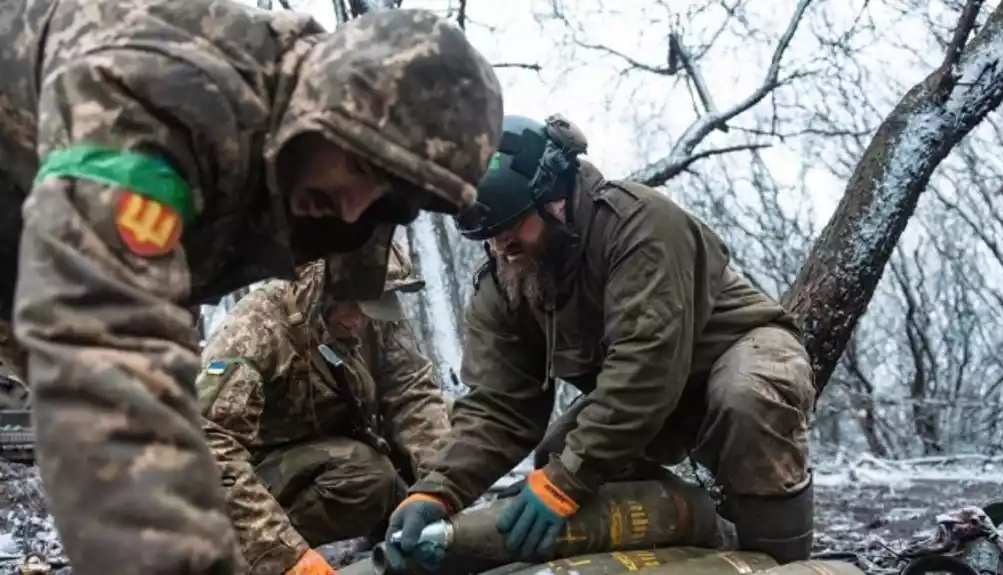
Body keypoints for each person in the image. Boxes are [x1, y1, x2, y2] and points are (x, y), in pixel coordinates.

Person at [0, 0, 503, 571]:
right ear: (323, 105)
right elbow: (109, 355)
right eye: (362, 168)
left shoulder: (309, 197)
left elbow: (412, 394)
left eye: (387, 196)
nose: (352, 206)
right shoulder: (167, 99)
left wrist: (439, 495)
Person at [385, 114, 816, 568]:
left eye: (513, 226)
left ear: (554, 198)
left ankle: (781, 562)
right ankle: (693, 540)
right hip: (650, 397)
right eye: (489, 235)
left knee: (746, 397)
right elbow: (498, 407)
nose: (502, 247)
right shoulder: (505, 283)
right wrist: (437, 490)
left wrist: (566, 481)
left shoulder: (640, 224)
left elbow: (645, 367)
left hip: (739, 353)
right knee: (558, 453)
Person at [200, 242, 451, 574]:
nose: (359, 321)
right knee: (366, 473)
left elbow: (413, 392)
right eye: (350, 306)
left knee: (450, 415)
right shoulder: (256, 330)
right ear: (318, 291)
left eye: (370, 306)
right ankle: (238, 554)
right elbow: (211, 444)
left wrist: (442, 490)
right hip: (262, 467)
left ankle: (398, 525)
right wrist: (279, 552)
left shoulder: (377, 317)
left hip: (340, 441)